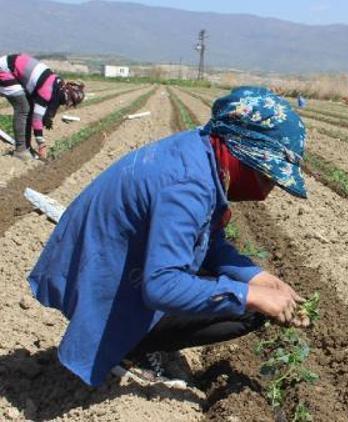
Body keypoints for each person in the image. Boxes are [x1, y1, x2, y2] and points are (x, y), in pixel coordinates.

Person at [27, 87, 309, 388]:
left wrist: (256, 277)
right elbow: (161, 286)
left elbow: (207, 240)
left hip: (101, 262)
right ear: (239, 151)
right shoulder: (190, 185)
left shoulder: (201, 151)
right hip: (102, 282)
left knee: (241, 294)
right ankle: (127, 349)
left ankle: (137, 337)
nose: (268, 192)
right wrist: (250, 296)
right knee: (247, 311)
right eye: (268, 176)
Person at [0, 53, 85, 160]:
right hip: (5, 69)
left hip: (14, 66)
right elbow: (37, 119)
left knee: (28, 107)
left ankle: (26, 147)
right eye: (71, 103)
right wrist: (41, 144)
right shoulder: (48, 91)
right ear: (69, 97)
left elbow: (47, 109)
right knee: (23, 108)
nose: (69, 105)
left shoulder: (58, 87)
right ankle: (21, 150)